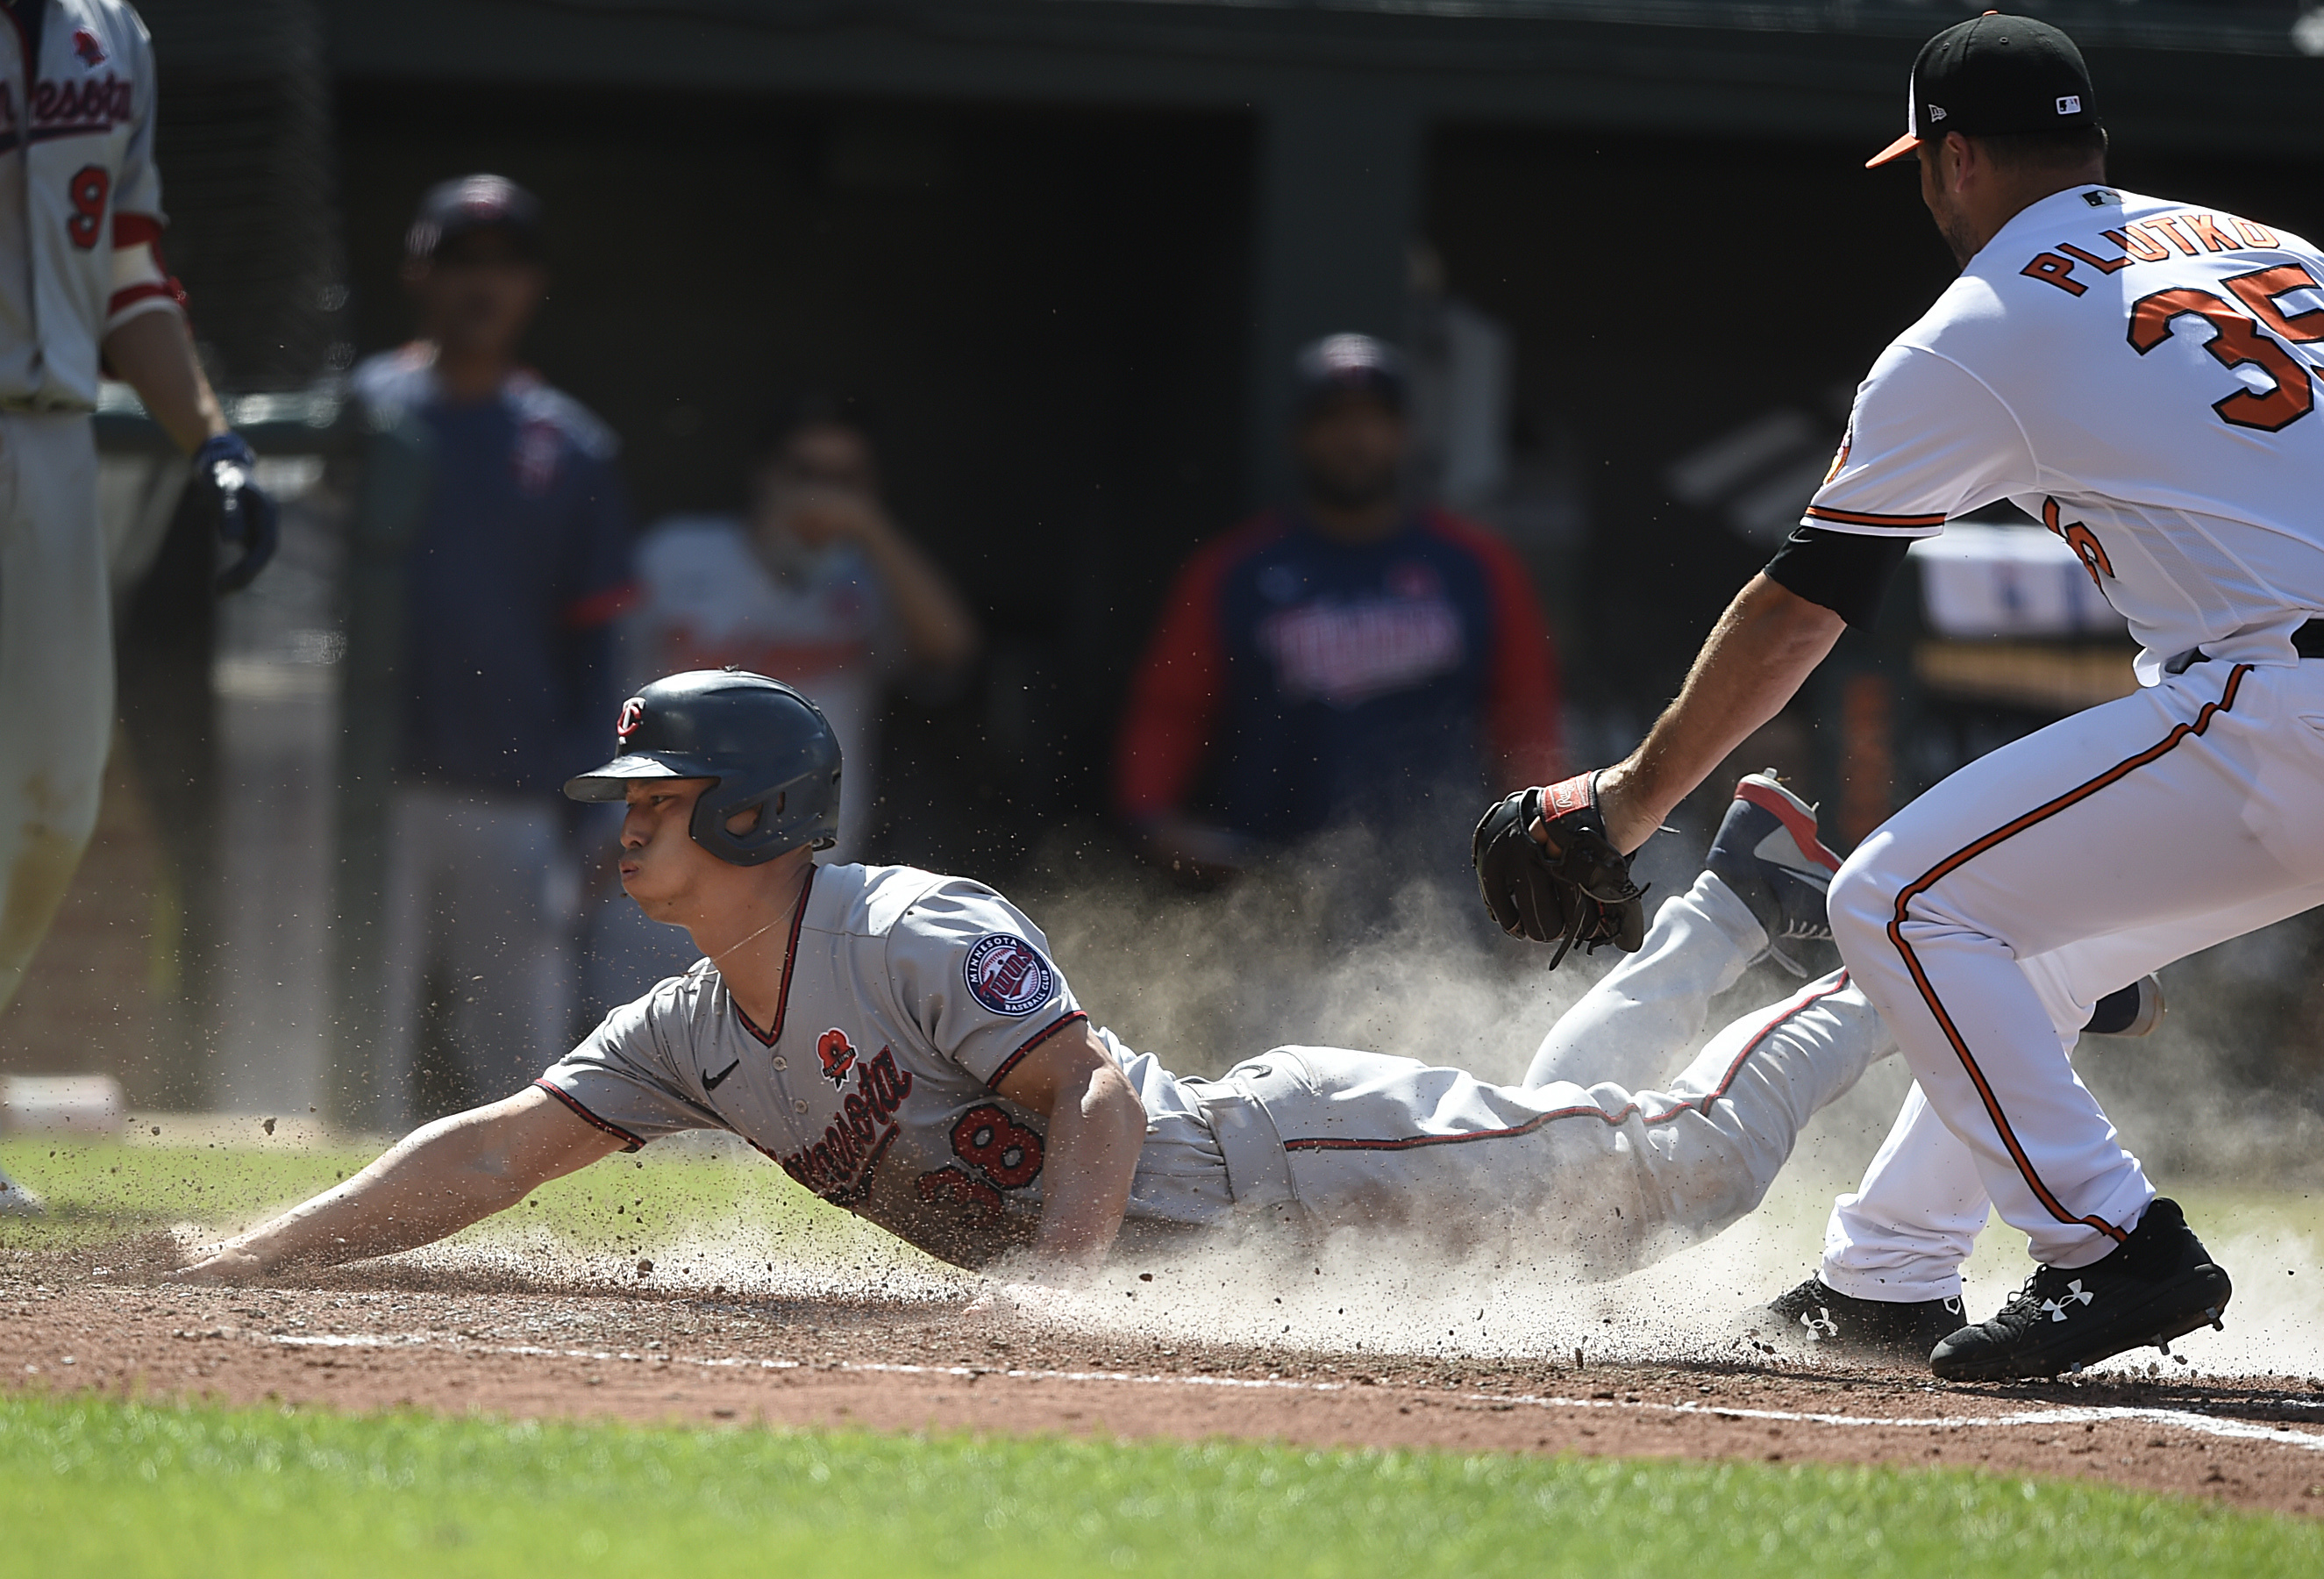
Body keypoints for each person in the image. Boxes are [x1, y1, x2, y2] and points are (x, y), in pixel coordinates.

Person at [1482, 14, 2324, 1380]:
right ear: (2092, 147)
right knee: (2037, 939)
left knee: (1894, 896)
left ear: (1951, 160)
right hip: (2310, 704)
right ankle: (1888, 1280)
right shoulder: (2279, 252)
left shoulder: (1980, 326)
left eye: (1922, 166)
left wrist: (1629, 799)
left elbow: (1803, 606)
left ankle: (2112, 1247)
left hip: (2302, 708)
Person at [175, 669, 1909, 1288]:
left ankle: (1889, 952)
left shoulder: (910, 923)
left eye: (660, 797)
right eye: (624, 798)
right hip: (1260, 1228)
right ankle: (1729, 913)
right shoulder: (693, 1030)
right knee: (1570, 1129)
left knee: (1675, 1179)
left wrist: (1059, 1287)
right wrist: (251, 1252)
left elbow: (1091, 1093)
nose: (627, 824)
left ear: (759, 811)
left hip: (1282, 1170)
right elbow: (490, 1154)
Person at [0, 0, 277, 1218]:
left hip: (57, 442)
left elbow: (129, 264)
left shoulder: (112, 31)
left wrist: (211, 438)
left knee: (51, 806)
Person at [348, 175, 636, 1132]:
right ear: (417, 275)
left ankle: (513, 1250)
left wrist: (599, 800)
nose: (483, 285)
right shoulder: (357, 414)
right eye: (460, 262)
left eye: (504, 265)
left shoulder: (569, 444)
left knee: (519, 1061)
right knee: (352, 1041)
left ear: (533, 284)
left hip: (514, 791)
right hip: (365, 790)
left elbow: (599, 643)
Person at [1116, 333, 1565, 882]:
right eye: (1333, 419)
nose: (1355, 439)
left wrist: (1544, 838)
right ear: (1299, 436)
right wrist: (1151, 815)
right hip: (1273, 877)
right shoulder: (1237, 569)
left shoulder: (1476, 564)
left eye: (1374, 419)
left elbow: (1525, 716)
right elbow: (1171, 708)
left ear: (1404, 435)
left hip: (1441, 872)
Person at [626, 400, 978, 860]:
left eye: (846, 480)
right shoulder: (676, 553)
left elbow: (954, 648)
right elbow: (590, 675)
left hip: (811, 862)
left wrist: (871, 528)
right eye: (805, 473)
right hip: (663, 850)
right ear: (763, 472)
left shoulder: (875, 575)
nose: (825, 496)